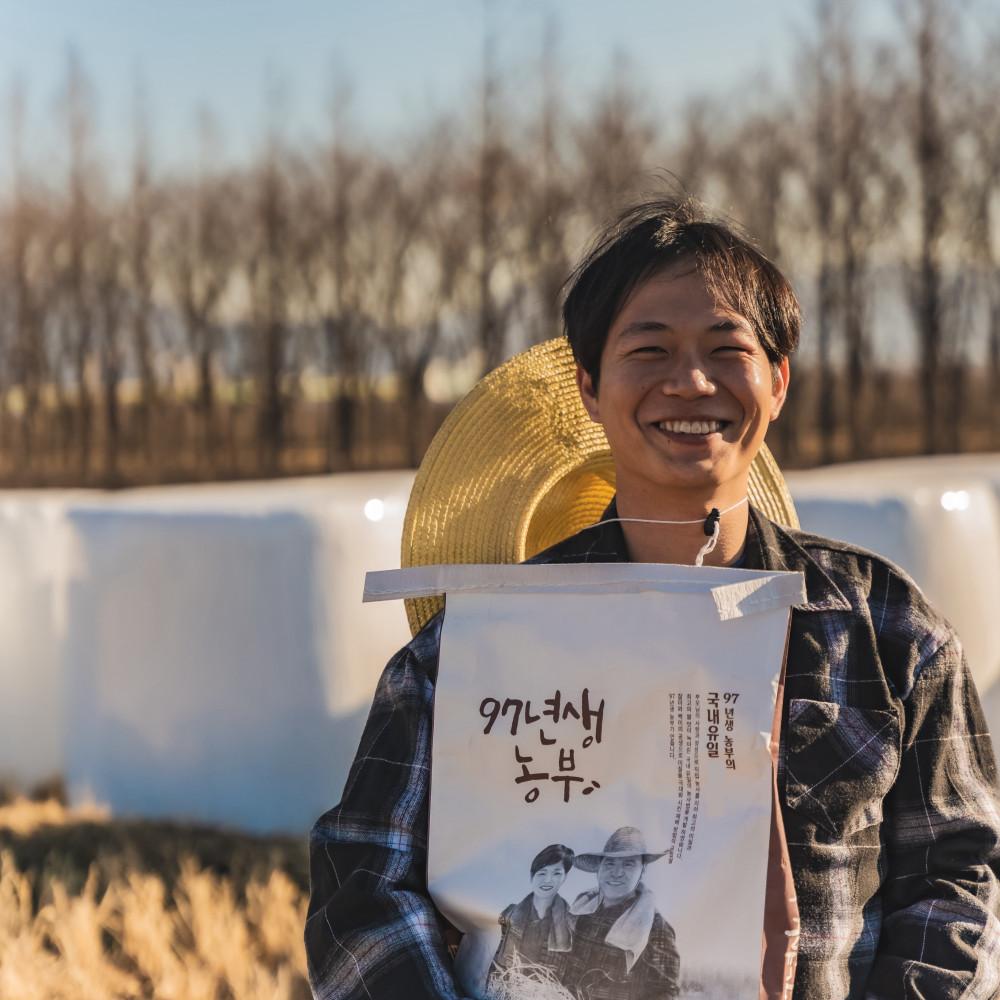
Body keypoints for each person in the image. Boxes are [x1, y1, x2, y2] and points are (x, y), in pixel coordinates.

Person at [305, 198, 1000, 999]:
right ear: (590, 386)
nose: (690, 381)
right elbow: (360, 880)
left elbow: (960, 870)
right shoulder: (475, 649)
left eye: (724, 348)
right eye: (650, 349)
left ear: (777, 382)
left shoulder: (887, 633)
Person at [564, 827, 679, 1000]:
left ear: (642, 872)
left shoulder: (654, 927)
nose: (616, 873)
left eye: (628, 864)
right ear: (599, 868)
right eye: (610, 863)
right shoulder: (581, 910)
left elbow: (666, 992)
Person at [487, 843, 575, 986]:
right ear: (532, 875)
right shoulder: (509, 913)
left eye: (557, 873)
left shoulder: (572, 924)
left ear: (565, 877)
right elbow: (494, 962)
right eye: (542, 872)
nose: (548, 880)